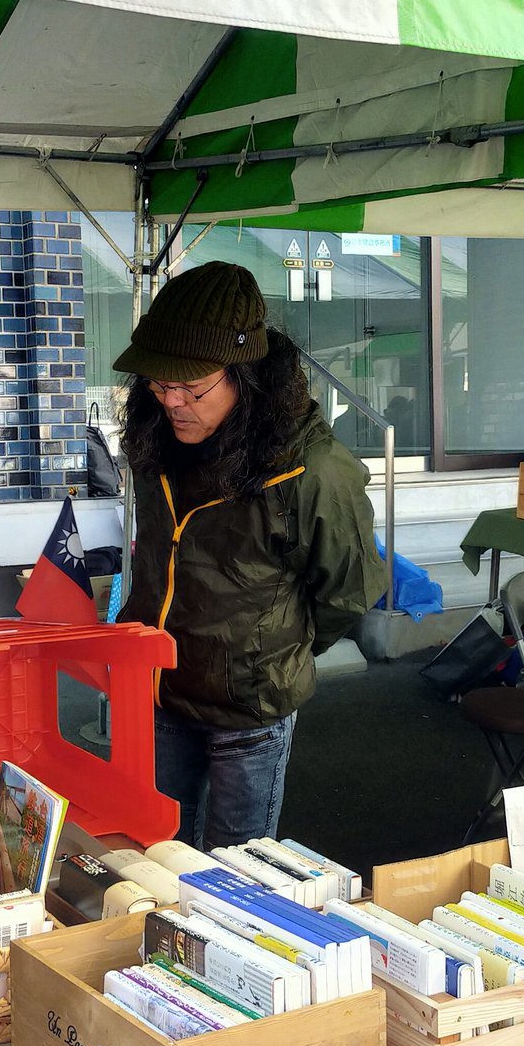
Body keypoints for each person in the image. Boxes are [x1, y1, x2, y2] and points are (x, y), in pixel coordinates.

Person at [115, 262, 385, 849]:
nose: (173, 402)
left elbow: (350, 589)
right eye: (159, 384)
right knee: (154, 855)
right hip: (158, 691)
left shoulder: (313, 470)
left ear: (247, 376)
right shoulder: (156, 439)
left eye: (192, 387)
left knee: (235, 875)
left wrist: (272, 649)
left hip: (250, 707)